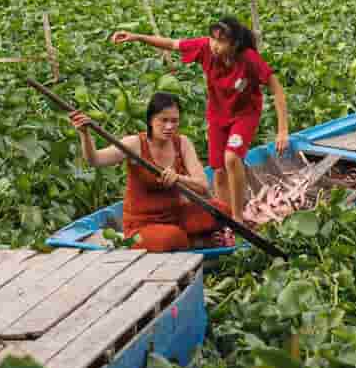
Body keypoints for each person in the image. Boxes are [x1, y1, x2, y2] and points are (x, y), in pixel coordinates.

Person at [111, 16, 290, 217]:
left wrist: (282, 130)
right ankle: (226, 217)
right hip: (217, 116)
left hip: (244, 115)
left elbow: (277, 90)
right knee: (219, 171)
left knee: (231, 157)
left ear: (235, 44)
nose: (214, 45)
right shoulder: (205, 48)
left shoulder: (249, 58)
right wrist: (136, 36)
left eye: (221, 41)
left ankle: (238, 219)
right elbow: (172, 44)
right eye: (213, 39)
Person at [68, 93, 235, 252]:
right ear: (150, 120)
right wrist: (85, 134)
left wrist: (179, 179)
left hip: (177, 216)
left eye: (174, 121)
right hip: (141, 227)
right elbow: (95, 160)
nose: (169, 127)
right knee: (171, 237)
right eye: (163, 120)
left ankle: (194, 238)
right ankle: (196, 242)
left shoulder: (182, 143)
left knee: (222, 211)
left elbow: (203, 186)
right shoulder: (135, 144)